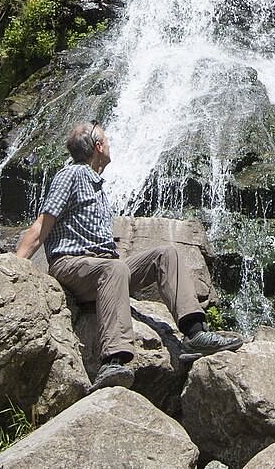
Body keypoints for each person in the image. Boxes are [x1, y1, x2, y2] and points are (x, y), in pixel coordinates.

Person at [15, 121, 243, 391]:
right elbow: (42, 224)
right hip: (72, 265)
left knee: (165, 254)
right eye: (107, 141)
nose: (111, 145)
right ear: (98, 146)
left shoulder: (97, 185)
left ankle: (195, 332)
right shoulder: (71, 175)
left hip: (104, 268)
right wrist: (16, 267)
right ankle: (114, 360)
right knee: (115, 270)